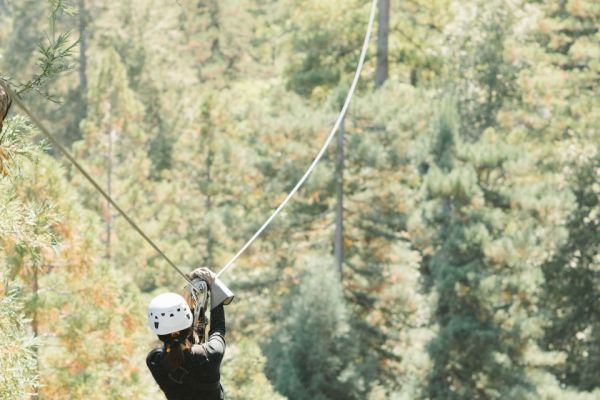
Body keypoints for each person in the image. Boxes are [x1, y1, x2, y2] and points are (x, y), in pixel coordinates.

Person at [146, 267, 228, 400]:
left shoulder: (154, 361)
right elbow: (218, 329)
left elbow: (218, 330)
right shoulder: (211, 354)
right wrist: (213, 285)